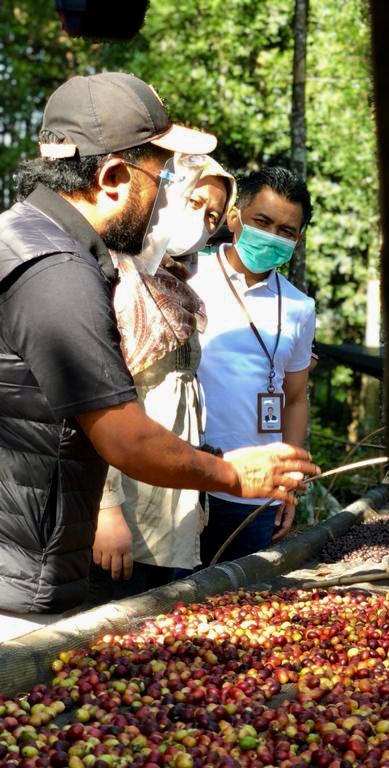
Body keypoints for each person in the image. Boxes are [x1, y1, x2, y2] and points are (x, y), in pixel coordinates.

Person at [0, 73, 317, 638]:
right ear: (115, 178)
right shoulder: (58, 272)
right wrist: (226, 474)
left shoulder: (29, 238)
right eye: (165, 175)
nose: (170, 195)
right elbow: (122, 434)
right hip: (21, 579)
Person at [89, 158, 238, 603]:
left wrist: (197, 496)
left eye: (212, 215)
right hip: (124, 505)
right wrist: (106, 510)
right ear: (165, 190)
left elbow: (185, 402)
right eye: (194, 200)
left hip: (171, 504)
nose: (200, 220)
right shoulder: (114, 276)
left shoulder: (175, 286)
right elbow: (99, 402)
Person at [190, 167, 316, 564]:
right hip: (186, 482)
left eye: (286, 230)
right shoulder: (187, 276)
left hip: (258, 493)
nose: (272, 235)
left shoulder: (300, 306)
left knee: (239, 609)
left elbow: (294, 398)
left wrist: (289, 481)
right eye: (262, 221)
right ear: (234, 217)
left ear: (298, 239)